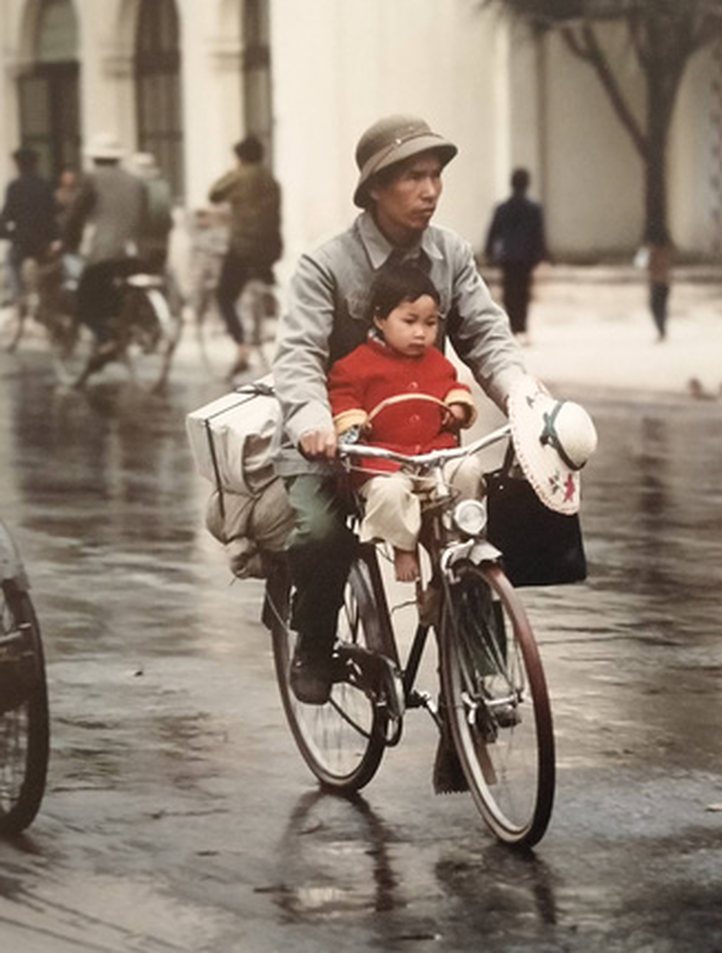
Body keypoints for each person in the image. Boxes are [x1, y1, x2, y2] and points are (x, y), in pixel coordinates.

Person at [273, 113, 526, 706]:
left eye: (436, 175)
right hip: (339, 441)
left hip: (418, 441)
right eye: (413, 176)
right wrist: (313, 425)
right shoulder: (325, 265)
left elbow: (486, 336)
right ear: (376, 188)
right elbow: (298, 358)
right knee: (320, 534)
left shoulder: (451, 254)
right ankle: (313, 643)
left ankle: (483, 655)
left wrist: (522, 397)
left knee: (472, 523)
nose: (431, 190)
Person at [328, 263, 480, 583]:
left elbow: (453, 385)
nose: (420, 333)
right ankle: (403, 545)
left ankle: (462, 531)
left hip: (432, 458)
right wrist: (355, 422)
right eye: (409, 321)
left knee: (468, 468)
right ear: (380, 319)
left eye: (430, 323)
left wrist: (457, 407)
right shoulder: (355, 366)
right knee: (388, 492)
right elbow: (343, 397)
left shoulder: (436, 362)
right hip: (384, 462)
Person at [61, 133, 148, 362]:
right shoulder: (135, 180)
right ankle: (125, 334)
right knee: (115, 296)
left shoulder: (92, 179)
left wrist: (69, 243)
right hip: (136, 253)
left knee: (84, 302)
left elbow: (76, 215)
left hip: (106, 252)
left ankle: (106, 339)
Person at [208, 134, 282, 379]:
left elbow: (214, 193)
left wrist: (234, 170)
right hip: (270, 249)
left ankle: (242, 347)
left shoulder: (239, 176)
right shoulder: (271, 179)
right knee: (269, 287)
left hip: (243, 248)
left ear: (239, 157)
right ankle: (270, 319)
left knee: (224, 295)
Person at [484, 167, 548, 341]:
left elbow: (493, 231)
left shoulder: (503, 208)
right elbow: (538, 234)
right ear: (527, 184)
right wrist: (542, 255)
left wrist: (489, 251)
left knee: (509, 292)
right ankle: (522, 326)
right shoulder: (534, 209)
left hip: (508, 256)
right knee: (523, 292)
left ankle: (512, 325)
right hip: (526, 256)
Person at [0, 147, 59, 306]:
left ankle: (19, 297)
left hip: (21, 239)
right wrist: (54, 238)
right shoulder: (45, 185)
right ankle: (45, 299)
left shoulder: (14, 186)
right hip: (42, 240)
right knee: (47, 270)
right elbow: (52, 214)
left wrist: (7, 234)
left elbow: (7, 214)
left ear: (18, 165)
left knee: (12, 263)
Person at [128, 152, 173, 276]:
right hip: (161, 242)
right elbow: (168, 220)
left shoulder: (136, 189)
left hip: (142, 243)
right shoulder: (163, 186)